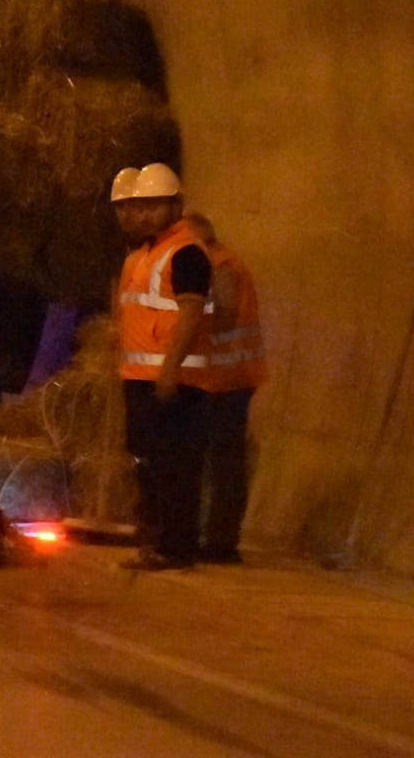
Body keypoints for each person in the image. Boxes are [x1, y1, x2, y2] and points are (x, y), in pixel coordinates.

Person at [113, 162, 214, 571]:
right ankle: (155, 541)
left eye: (155, 206)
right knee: (148, 462)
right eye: (141, 206)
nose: (144, 214)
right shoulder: (145, 253)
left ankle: (175, 546)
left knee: (173, 465)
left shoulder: (186, 252)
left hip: (173, 380)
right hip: (141, 376)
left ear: (176, 207)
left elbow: (190, 314)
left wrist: (170, 370)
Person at [184, 212, 267, 564]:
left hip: (226, 379)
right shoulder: (221, 263)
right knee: (220, 461)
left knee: (223, 462)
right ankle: (215, 536)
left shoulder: (220, 267)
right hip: (224, 377)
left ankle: (220, 541)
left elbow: (224, 314)